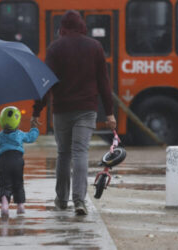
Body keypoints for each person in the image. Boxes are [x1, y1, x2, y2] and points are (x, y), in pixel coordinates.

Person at [31, 10, 116, 215]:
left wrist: (37, 111)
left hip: (62, 109)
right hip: (87, 109)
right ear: (81, 26)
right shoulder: (95, 47)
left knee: (63, 154)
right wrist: (110, 113)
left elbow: (46, 82)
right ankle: (79, 201)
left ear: (62, 27)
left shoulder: (55, 48)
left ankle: (61, 199)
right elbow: (104, 82)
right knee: (80, 153)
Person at [0, 106, 39, 217]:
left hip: (3, 161)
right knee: (18, 183)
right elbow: (31, 137)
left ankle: (5, 204)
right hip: (18, 160)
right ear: (18, 122)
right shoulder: (20, 134)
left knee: (4, 184)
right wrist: (33, 127)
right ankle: (20, 206)